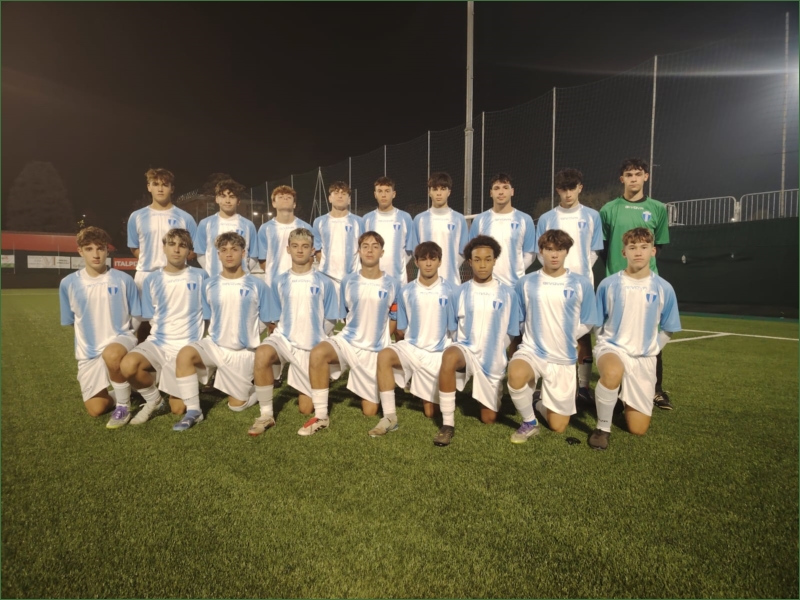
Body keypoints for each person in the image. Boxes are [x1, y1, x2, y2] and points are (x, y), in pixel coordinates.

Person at [172, 232, 276, 431]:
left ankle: (254, 389)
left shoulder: (258, 285)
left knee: (237, 406)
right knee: (185, 354)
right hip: (214, 346)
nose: (229, 254)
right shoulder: (209, 285)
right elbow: (209, 317)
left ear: (243, 253)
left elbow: (267, 320)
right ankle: (194, 411)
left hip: (242, 352)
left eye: (234, 250)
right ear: (218, 254)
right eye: (224, 250)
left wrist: (250, 336)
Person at [589, 228, 681, 450]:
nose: (638, 252)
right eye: (632, 247)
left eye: (643, 247)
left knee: (638, 429)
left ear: (653, 251)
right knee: (612, 372)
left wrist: (653, 347)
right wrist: (603, 343)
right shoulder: (609, 284)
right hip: (613, 349)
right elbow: (596, 322)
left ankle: (619, 399)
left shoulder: (664, 288)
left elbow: (669, 328)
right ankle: (602, 428)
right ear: (624, 253)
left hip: (644, 358)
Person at [304, 231, 402, 436]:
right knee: (318, 353)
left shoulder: (393, 284)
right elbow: (347, 314)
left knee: (370, 411)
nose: (370, 250)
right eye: (365, 246)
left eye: (375, 246)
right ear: (358, 251)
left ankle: (364, 386)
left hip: (373, 350)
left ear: (382, 252)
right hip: (348, 342)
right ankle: (321, 416)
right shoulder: (348, 281)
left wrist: (381, 341)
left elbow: (394, 319)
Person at [507, 229, 600, 443]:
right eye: (549, 249)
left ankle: (538, 402)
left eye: (560, 249)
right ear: (541, 252)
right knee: (516, 372)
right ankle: (529, 422)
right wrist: (532, 333)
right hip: (532, 351)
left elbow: (588, 320)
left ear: (567, 251)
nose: (555, 254)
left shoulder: (581, 283)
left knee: (558, 426)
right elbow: (520, 318)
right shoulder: (526, 282)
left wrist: (567, 335)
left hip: (562, 357)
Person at [433, 235, 521, 447]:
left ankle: (490, 392)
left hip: (492, 361)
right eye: (478, 260)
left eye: (488, 259)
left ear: (494, 261)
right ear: (470, 262)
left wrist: (501, 357)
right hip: (466, 352)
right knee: (449, 356)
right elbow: (453, 328)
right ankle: (447, 424)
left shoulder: (509, 294)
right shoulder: (459, 292)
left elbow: (512, 333)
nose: (483, 265)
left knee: (488, 419)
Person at [599, 158, 672, 410]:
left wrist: (642, 271)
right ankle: (616, 388)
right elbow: (604, 246)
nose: (633, 179)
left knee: (651, 333)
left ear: (646, 177)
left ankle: (656, 390)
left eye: (638, 174)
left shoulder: (657, 208)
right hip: (617, 283)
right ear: (622, 179)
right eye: (628, 175)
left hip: (648, 284)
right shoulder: (608, 209)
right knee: (616, 334)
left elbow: (658, 245)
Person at [250, 228, 338, 436]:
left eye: (305, 246)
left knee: (305, 408)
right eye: (295, 246)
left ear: (313, 250)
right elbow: (275, 316)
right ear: (288, 249)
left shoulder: (325, 282)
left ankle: (319, 402)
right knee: (262, 352)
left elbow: (331, 319)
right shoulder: (279, 281)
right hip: (284, 340)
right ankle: (266, 415)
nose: (300, 250)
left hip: (310, 345)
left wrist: (316, 339)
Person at [369, 241, 458, 437]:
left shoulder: (452, 291)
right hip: (412, 349)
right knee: (384, 355)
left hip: (437, 354)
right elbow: (401, 329)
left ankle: (424, 387)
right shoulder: (406, 291)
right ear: (416, 262)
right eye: (423, 259)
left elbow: (454, 329)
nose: (428, 264)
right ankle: (390, 417)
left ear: (440, 261)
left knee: (430, 412)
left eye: (433, 259)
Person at [119, 228, 208, 425]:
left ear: (189, 251)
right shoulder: (152, 279)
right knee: (128, 365)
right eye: (172, 244)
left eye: (182, 245)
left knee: (178, 409)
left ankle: (178, 381)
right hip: (158, 342)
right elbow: (150, 317)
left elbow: (208, 316)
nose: (176, 249)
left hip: (186, 348)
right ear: (164, 248)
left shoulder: (201, 276)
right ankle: (154, 400)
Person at [59, 227, 140, 427]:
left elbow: (137, 315)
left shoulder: (124, 280)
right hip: (89, 352)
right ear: (80, 251)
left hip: (120, 342)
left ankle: (123, 406)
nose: (96, 254)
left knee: (112, 354)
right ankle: (127, 389)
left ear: (107, 250)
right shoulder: (68, 284)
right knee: (96, 409)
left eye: (100, 248)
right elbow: (72, 321)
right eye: (89, 249)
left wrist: (129, 338)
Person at [536, 168, 603, 403]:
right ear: (557, 190)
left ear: (580, 188)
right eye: (563, 189)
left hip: (581, 285)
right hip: (552, 283)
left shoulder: (592, 216)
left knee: (582, 335)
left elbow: (594, 251)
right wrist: (557, 274)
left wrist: (577, 277)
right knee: (548, 328)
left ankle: (583, 387)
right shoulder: (546, 218)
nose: (568, 193)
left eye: (572, 188)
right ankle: (545, 382)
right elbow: (540, 252)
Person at [127, 168, 197, 343]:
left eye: (165, 185)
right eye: (156, 184)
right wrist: (150, 260)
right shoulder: (136, 217)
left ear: (172, 189)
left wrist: (175, 265)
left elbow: (194, 249)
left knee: (172, 322)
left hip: (175, 277)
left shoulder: (185, 218)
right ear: (148, 187)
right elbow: (134, 247)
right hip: (145, 275)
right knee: (139, 324)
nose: (160, 188)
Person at [468, 173, 536, 287]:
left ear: (512, 191)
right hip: (486, 286)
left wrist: (515, 272)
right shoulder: (479, 220)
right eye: (496, 188)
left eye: (505, 187)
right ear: (491, 193)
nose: (501, 192)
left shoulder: (525, 219)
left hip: (515, 286)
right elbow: (473, 252)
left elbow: (530, 254)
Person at [412, 172, 468, 288]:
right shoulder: (419, 219)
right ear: (429, 192)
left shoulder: (459, 219)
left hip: (451, 282)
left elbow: (463, 252)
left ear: (449, 192)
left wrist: (449, 266)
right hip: (424, 284)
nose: (439, 193)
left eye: (443, 189)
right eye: (435, 189)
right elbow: (415, 251)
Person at [194, 178, 258, 277]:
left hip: (241, 280)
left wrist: (244, 271)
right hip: (215, 279)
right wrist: (211, 274)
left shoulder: (248, 225)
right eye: (223, 196)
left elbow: (253, 255)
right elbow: (200, 254)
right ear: (217, 199)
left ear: (238, 201)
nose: (227, 201)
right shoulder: (205, 224)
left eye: (232, 197)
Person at [312, 181, 364, 299]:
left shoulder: (359, 221)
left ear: (349, 200)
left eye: (344, 194)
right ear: (330, 198)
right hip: (327, 277)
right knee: (329, 311)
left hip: (353, 277)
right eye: (336, 193)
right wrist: (327, 268)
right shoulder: (319, 222)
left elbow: (363, 248)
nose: (340, 196)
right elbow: (317, 249)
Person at [257, 185, 313, 289]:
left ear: (294, 204)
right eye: (281, 197)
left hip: (300, 283)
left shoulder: (306, 227)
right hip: (273, 284)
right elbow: (262, 260)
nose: (285, 198)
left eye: (289, 197)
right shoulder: (265, 228)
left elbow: (310, 257)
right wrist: (274, 275)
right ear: (274, 203)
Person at [362, 176, 417, 284]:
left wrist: (399, 265)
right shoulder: (366, 219)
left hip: (398, 280)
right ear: (375, 194)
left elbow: (410, 249)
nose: (383, 195)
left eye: (387, 191)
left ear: (394, 194)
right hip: (372, 280)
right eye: (380, 191)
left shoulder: (405, 218)